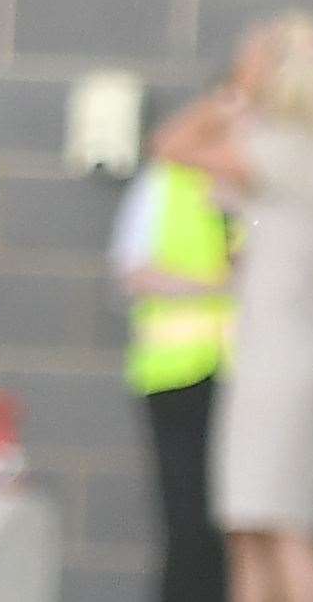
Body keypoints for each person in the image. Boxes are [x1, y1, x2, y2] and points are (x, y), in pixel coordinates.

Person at [154, 14, 313, 602]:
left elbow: (170, 145)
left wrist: (235, 91)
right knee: (270, 527)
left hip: (277, 364)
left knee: (278, 530)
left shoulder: (277, 146)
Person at [107, 155, 233, 602]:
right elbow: (132, 270)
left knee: (235, 522)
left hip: (238, 377)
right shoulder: (167, 180)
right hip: (177, 374)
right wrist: (219, 285)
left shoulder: (252, 179)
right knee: (187, 518)